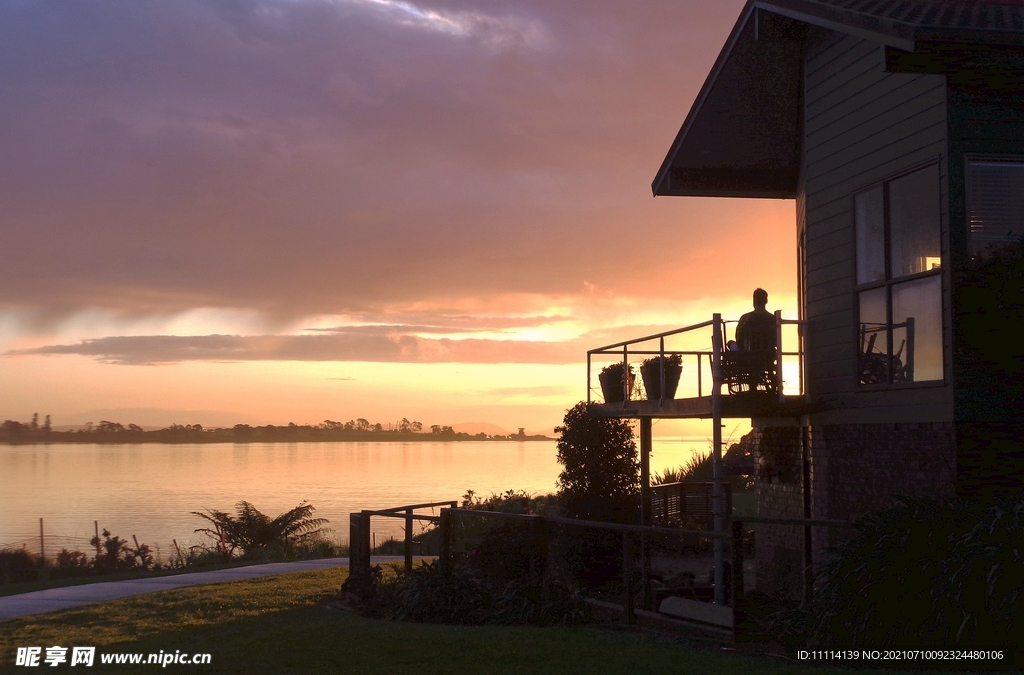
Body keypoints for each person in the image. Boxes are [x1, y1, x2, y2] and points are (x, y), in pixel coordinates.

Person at [735, 288, 776, 352]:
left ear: (754, 300)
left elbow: (739, 340)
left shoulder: (745, 318)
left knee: (730, 343)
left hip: (748, 356)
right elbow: (776, 341)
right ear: (766, 301)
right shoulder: (773, 319)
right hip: (768, 356)